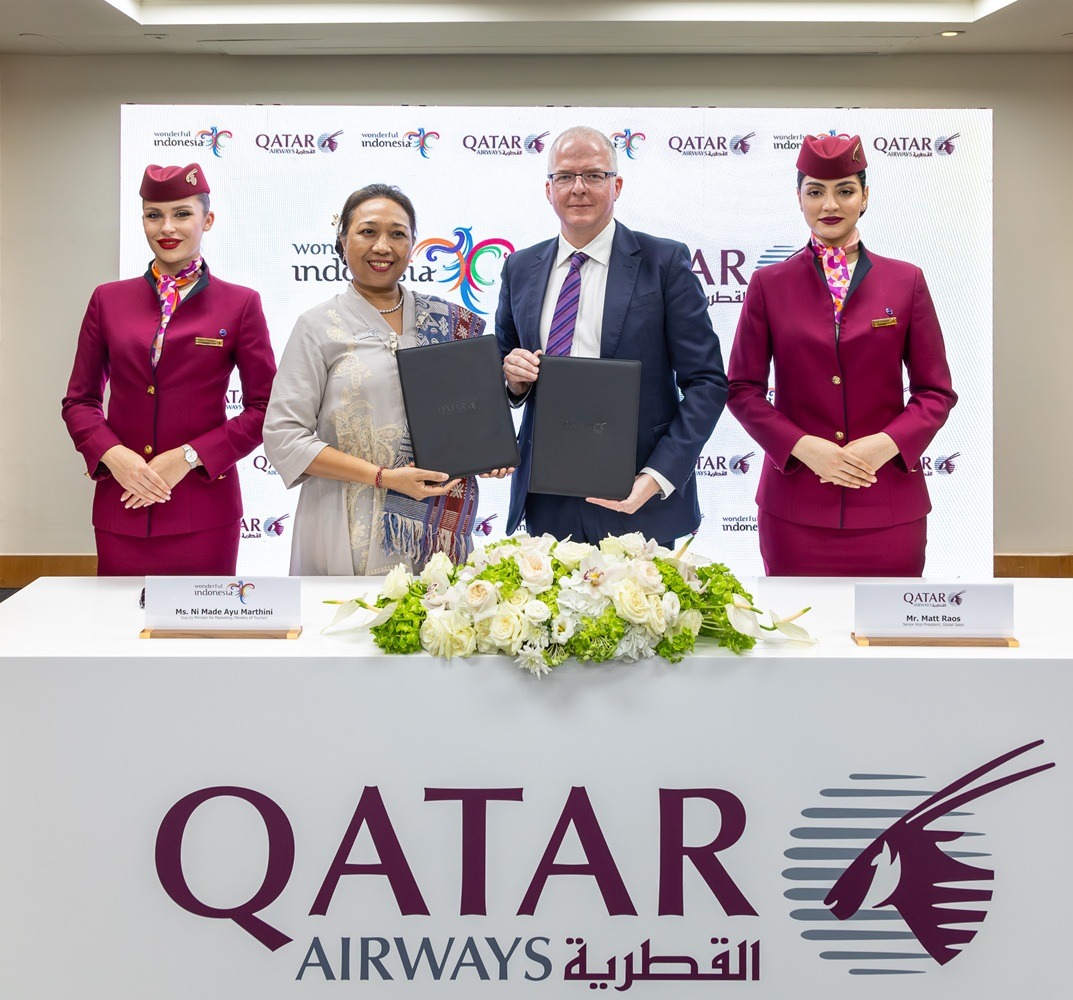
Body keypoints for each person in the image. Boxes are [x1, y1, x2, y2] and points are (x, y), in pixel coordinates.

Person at [727, 133, 957, 576]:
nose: (829, 204)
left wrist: (885, 445)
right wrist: (803, 447)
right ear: (799, 198)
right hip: (795, 507)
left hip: (888, 502)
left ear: (865, 197)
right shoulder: (769, 285)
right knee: (795, 622)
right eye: (815, 191)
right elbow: (742, 390)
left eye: (845, 191)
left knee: (889, 620)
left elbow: (936, 392)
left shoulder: (905, 281)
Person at [496, 125, 728, 547]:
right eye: (565, 176)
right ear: (548, 189)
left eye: (594, 175)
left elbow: (707, 383)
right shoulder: (520, 268)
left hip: (637, 496)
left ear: (616, 185)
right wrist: (512, 379)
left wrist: (656, 477)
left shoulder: (664, 262)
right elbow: (502, 365)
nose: (578, 188)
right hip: (546, 498)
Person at [264, 183, 502, 576]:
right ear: (343, 240)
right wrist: (383, 478)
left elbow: (471, 420)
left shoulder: (447, 321)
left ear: (413, 244)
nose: (383, 246)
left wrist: (490, 455)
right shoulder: (317, 327)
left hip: (432, 524)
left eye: (397, 234)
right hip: (344, 516)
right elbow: (284, 435)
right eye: (368, 231)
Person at [62, 163, 276, 576]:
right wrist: (113, 455)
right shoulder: (108, 300)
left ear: (207, 220)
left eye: (182, 214)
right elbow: (80, 401)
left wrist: (189, 456)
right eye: (153, 215)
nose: (167, 227)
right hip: (123, 503)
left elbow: (265, 409)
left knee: (203, 618)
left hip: (205, 512)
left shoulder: (240, 304)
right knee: (117, 616)